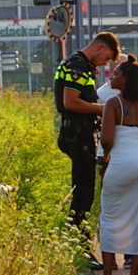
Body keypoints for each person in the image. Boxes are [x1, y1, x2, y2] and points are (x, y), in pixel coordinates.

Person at [98, 56, 138, 275]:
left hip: (121, 162)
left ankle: (108, 273)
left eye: (115, 74)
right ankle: (134, 274)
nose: (111, 77)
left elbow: (106, 140)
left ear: (125, 79)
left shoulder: (113, 104)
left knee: (111, 215)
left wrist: (105, 157)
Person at [55, 32, 121, 242]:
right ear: (100, 48)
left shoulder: (75, 64)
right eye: (106, 58)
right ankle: (78, 242)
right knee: (84, 194)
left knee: (84, 191)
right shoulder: (78, 67)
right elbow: (71, 102)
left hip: (77, 133)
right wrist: (103, 109)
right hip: (78, 135)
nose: (104, 64)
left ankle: (76, 238)